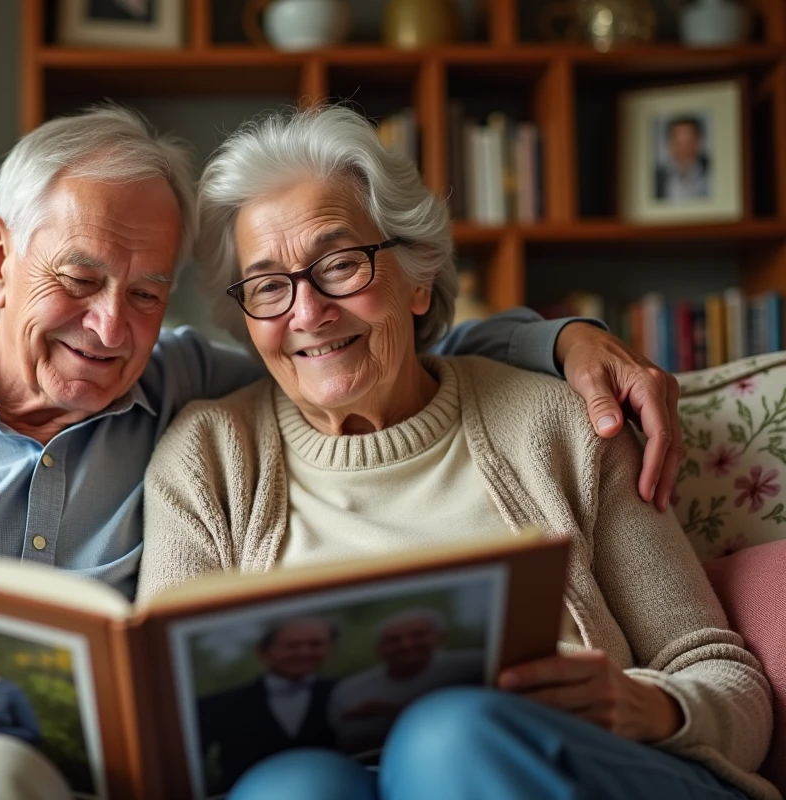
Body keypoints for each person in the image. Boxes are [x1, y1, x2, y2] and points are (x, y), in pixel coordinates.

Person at [0, 104, 688, 800]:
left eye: (144, 294)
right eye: (78, 280)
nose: (110, 328)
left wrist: (560, 340)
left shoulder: (189, 390)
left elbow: (386, 348)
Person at [137, 106, 775, 800]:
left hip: (555, 766)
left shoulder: (560, 425)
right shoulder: (209, 460)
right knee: (291, 789)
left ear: (417, 278)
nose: (308, 312)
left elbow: (726, 679)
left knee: (447, 740)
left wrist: (650, 705)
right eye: (268, 286)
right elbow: (173, 732)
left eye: (341, 264)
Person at [198, 617, 338, 793]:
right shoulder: (216, 706)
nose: (304, 652)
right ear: (262, 652)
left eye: (316, 644)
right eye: (291, 646)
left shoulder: (346, 691)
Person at [327, 610, 483, 754]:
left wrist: (386, 710)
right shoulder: (350, 689)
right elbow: (347, 736)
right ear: (378, 648)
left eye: (418, 635)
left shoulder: (476, 665)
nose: (406, 644)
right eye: (393, 640)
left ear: (441, 637)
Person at [655, 115, 710, 201]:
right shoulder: (657, 177)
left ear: (699, 142)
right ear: (669, 144)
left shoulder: (712, 171)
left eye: (689, 142)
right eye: (679, 143)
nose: (684, 149)